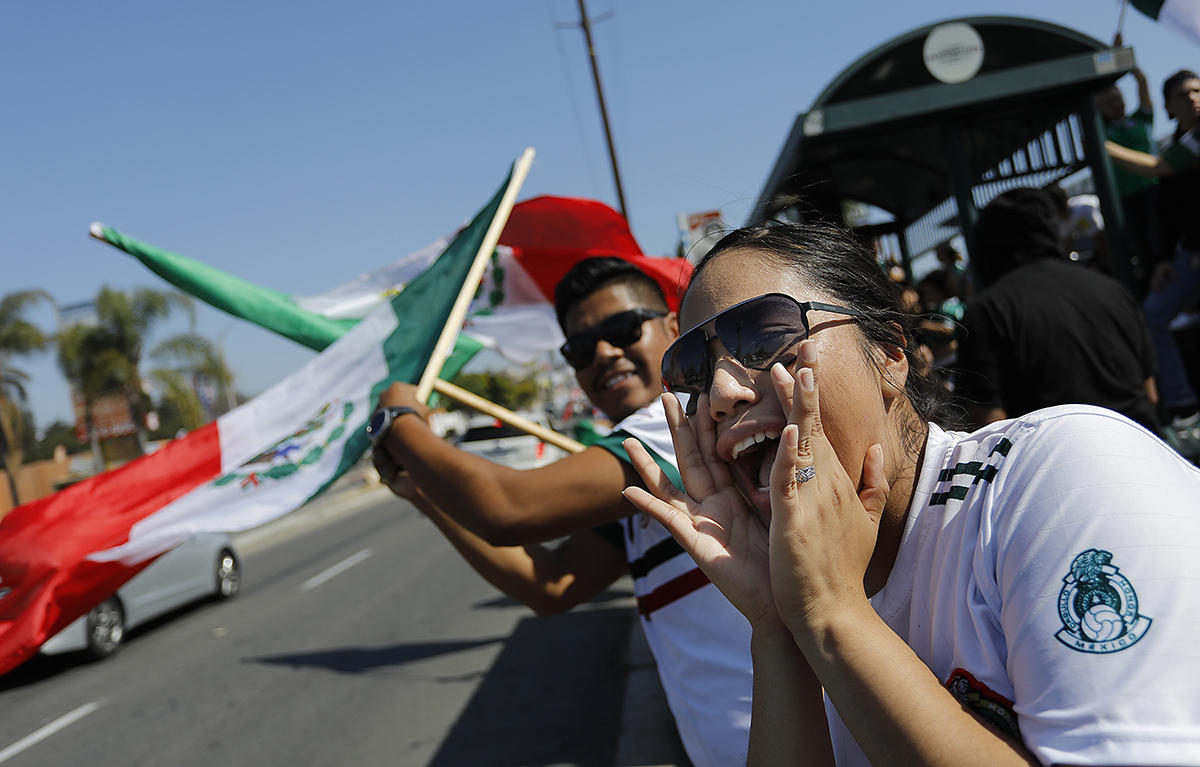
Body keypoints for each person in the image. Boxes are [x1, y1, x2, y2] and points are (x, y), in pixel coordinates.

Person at [620, 221, 1200, 766]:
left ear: (891, 356)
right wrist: (776, 625)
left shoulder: (1063, 472)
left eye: (765, 335)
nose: (720, 392)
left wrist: (831, 615)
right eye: (694, 369)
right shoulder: (806, 597)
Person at [370, 257, 753, 767]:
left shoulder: (678, 420)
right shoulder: (651, 466)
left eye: (621, 329)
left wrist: (398, 420)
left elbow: (510, 509)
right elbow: (553, 584)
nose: (603, 354)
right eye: (579, 348)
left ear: (673, 329)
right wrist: (425, 496)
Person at [954, 187, 1159, 433]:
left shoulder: (987, 311)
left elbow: (988, 423)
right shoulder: (1114, 290)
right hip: (1144, 447)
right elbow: (1151, 393)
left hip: (1063, 465)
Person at [1107, 69, 1200, 443]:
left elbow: (1154, 168)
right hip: (1187, 256)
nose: (1194, 97)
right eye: (1184, 94)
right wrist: (1163, 259)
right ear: (1169, 107)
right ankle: (1184, 407)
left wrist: (1097, 141)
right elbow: (1173, 209)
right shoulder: (1182, 140)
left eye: (1198, 90)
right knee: (1151, 317)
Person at [1096, 36, 1159, 278]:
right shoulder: (1101, 133)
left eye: (1117, 98)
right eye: (1108, 102)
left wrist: (1121, 56)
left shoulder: (1141, 119)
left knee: (1159, 239)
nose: (1116, 104)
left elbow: (1142, 81)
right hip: (1124, 200)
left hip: (1153, 189)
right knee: (1140, 249)